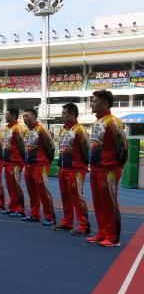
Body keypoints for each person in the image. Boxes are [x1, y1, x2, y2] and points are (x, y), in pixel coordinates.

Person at [87, 90, 128, 247]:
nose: (92, 103)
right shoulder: (98, 122)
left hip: (109, 168)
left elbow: (123, 146)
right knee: (98, 202)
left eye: (95, 101)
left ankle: (113, 238)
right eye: (92, 100)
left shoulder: (114, 121)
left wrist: (118, 165)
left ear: (105, 103)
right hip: (96, 168)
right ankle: (102, 232)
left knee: (109, 203)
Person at [54, 103, 91, 235]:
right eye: (62, 113)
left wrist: (83, 165)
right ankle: (67, 222)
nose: (62, 116)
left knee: (77, 197)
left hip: (76, 169)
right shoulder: (63, 130)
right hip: (63, 168)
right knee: (65, 197)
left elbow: (87, 149)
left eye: (65, 113)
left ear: (73, 114)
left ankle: (84, 225)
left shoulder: (80, 130)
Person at [22, 108, 56, 226]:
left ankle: (50, 217)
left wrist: (46, 163)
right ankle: (34, 214)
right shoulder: (26, 132)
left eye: (27, 116)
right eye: (23, 117)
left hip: (40, 165)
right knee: (31, 192)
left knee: (43, 191)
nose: (25, 119)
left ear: (34, 116)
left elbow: (51, 147)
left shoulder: (42, 129)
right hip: (29, 165)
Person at [2, 108, 27, 217]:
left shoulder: (17, 128)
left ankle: (20, 209)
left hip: (16, 161)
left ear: (13, 115)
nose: (5, 117)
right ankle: (12, 207)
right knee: (10, 186)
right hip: (8, 161)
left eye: (7, 115)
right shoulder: (8, 128)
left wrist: (21, 158)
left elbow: (22, 144)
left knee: (16, 186)